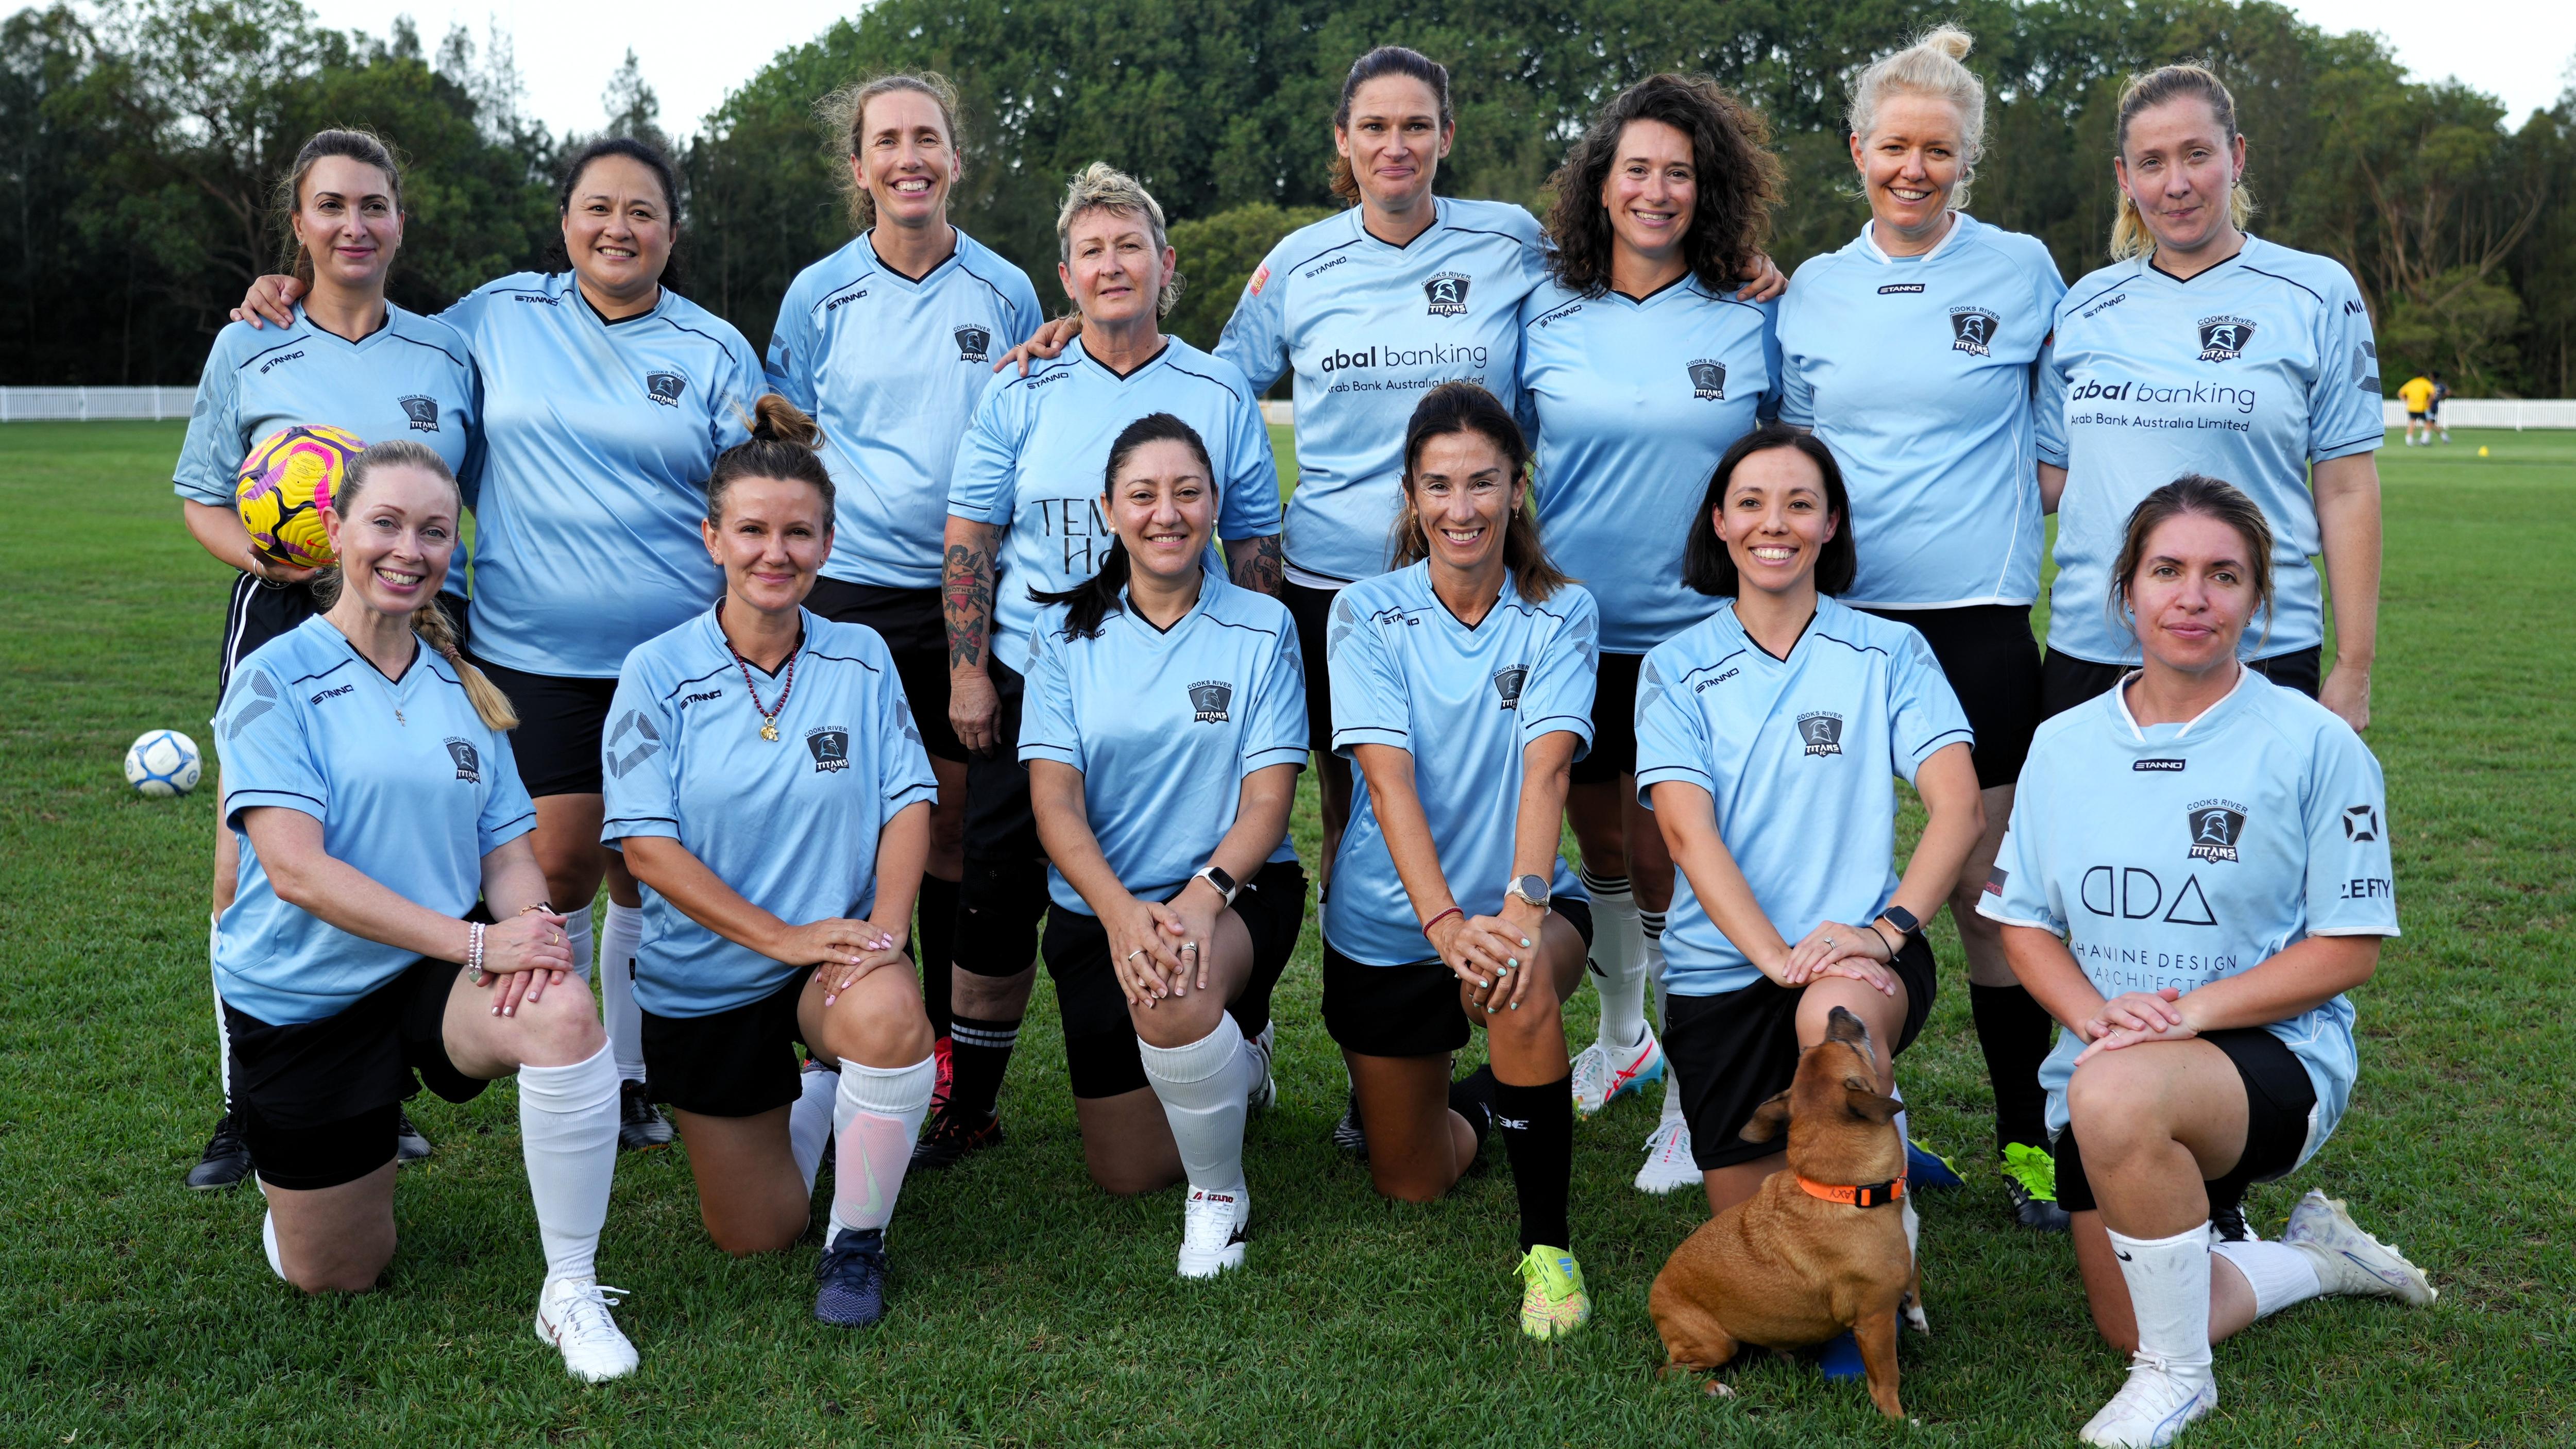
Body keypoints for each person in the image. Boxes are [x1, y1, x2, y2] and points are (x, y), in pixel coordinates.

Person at [238, 138, 768, 1150]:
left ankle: (631, 1073)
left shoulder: (712, 346)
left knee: (654, 866)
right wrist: (290, 288)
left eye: (643, 212)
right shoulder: (491, 317)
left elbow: (756, 489)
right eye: (598, 207)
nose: (619, 228)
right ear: (565, 218)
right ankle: (561, 1056)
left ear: (672, 231)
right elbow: (375, 330)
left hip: (681, 663)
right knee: (561, 867)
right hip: (533, 653)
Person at [1978, 476, 2432, 1448]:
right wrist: (2098, 1016)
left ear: (2259, 600)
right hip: (2110, 1061)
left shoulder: (2315, 742)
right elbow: (2022, 925)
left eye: (2224, 575)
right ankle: (2317, 1258)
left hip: (2272, 1057)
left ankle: (2178, 1381)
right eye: (2169, 570)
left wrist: (2187, 1013)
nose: (2195, 596)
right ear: (2127, 594)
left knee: (2120, 1101)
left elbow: (2348, 949)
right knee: (2128, 1308)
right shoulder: (2062, 744)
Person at [213, 439, 635, 1381]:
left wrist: (531, 943)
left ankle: (569, 1287)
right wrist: (484, 938)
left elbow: (509, 851)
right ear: (339, 533)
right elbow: (298, 874)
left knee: (563, 1012)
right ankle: (305, 1208)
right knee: (340, 1274)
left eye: (435, 531)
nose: (411, 548)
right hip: (305, 997)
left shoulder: (462, 688)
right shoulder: (276, 680)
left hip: (431, 975)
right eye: (389, 524)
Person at [925, 163, 1283, 1169]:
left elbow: (1253, 548)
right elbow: (969, 537)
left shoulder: (1215, 389)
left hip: (1174, 690)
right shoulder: (1022, 384)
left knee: (1206, 869)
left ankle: (1230, 1032)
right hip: (1033, 678)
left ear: (1165, 266)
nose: (1112, 263)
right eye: (1093, 249)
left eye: (1131, 245)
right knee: (992, 906)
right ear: (1065, 275)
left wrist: (1256, 675)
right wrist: (965, 671)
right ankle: (973, 1101)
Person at [1774, 26, 2074, 1228]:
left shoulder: (2021, 271)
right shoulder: (1811, 287)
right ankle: (1849, 1131)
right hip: (1838, 628)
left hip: (1978, 623)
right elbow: (1790, 451)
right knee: (1839, 880)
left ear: (1968, 159)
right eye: (1893, 145)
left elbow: (2056, 444)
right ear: (1857, 152)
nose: (1913, 167)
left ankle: (2026, 1142)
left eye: (1937, 150)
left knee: (1989, 893)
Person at [1634, 426, 1982, 1381]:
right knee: (1764, 1247)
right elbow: (1686, 835)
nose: (1774, 523)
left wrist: (1885, 928)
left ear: (1831, 523)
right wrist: (1773, 953)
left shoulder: (1888, 651)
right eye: (1750, 502)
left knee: (1823, 1021)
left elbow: (1955, 806)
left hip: (1858, 959)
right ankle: (1886, 1152)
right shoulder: (1675, 666)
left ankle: (1892, 1245)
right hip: (1724, 968)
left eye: (1799, 502)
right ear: (1719, 521)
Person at [177, 129, 479, 1189]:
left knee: (403, 846)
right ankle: (243, 1102)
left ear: (400, 221)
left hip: (421, 622)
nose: (355, 225)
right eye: (331, 206)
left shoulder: (447, 351)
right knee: (244, 862)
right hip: (283, 621)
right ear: (298, 222)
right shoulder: (247, 345)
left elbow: (463, 491)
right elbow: (203, 495)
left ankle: (376, 1086)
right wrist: (283, 563)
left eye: (375, 206)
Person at [602, 397, 940, 1327]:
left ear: (829, 544)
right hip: (707, 978)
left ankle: (858, 1243)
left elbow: (909, 800)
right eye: (752, 530)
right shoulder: (657, 672)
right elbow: (645, 848)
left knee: (887, 1012)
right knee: (756, 1231)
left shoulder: (862, 656)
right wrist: (780, 938)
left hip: (828, 959)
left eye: (799, 533)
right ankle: (822, 1099)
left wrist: (889, 932)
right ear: (712, 538)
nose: (775, 553)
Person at [1514, 72, 1787, 1193]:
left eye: (1679, 172)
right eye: (1637, 168)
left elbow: (1787, 471)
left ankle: (1691, 1093)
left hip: (1699, 640)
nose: (1657, 190)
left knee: (1677, 864)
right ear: (1601, 181)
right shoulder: (1542, 308)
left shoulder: (1752, 310)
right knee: (1604, 853)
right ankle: (1622, 1036)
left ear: (1706, 187)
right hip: (1575, 630)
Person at [765, 74, 1047, 1093]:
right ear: (860, 168)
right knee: (848, 817)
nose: (908, 156)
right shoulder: (818, 294)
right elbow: (783, 436)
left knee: (957, 826)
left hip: (968, 596)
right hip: (849, 594)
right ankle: (838, 1045)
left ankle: (935, 1050)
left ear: (956, 159)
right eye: (886, 141)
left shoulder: (1006, 288)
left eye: (926, 137)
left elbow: (1029, 416)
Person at [1325, 382, 1600, 1341]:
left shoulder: (1561, 611)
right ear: (1410, 495)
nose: (1463, 508)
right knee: (1414, 1179)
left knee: (1520, 980)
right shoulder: (1364, 612)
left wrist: (1521, 907)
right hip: (1391, 927)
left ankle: (1550, 1252)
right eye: (1439, 486)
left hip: (1523, 905)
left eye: (1484, 482)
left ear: (1517, 488)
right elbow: (1389, 786)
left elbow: (1548, 768)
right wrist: (1445, 926)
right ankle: (1491, 1099)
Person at [1020, 413, 1309, 1275]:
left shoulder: (1262, 626)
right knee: (1129, 1169)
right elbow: (1054, 803)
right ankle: (1242, 1061)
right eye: (1143, 494)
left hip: (1234, 888)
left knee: (1176, 985)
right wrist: (1118, 915)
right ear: (1110, 509)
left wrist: (1192, 902)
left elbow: (1269, 800)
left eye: (1188, 491)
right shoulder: (1064, 636)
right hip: (1099, 908)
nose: (1166, 512)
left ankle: (1220, 1194)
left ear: (1215, 504)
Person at [2036, 64, 2384, 735]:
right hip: (2092, 648)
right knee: (2092, 843)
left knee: (2235, 844)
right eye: (2152, 162)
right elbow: (2047, 481)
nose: (2177, 183)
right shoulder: (2083, 306)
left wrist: (2355, 666)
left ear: (2237, 156)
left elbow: (2346, 489)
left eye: (2197, 154)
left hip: (2258, 647)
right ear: (2123, 177)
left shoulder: (2314, 293)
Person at [2396, 372, 2435, 446]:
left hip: (2412, 406)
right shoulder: (2425, 383)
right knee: (2428, 422)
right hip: (2422, 407)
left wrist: (2406, 401)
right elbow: (2433, 393)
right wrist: (2429, 401)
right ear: (2423, 376)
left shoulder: (2411, 383)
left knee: (2412, 423)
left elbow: (2400, 393)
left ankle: (2409, 440)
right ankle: (2425, 439)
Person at [2428, 370, 2451, 443]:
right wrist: (2441, 397)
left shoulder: (2430, 385)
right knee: (2429, 423)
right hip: (2435, 405)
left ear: (2432, 376)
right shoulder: (2441, 385)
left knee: (2430, 423)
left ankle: (2445, 437)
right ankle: (2425, 439)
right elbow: (2448, 392)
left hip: (2430, 405)